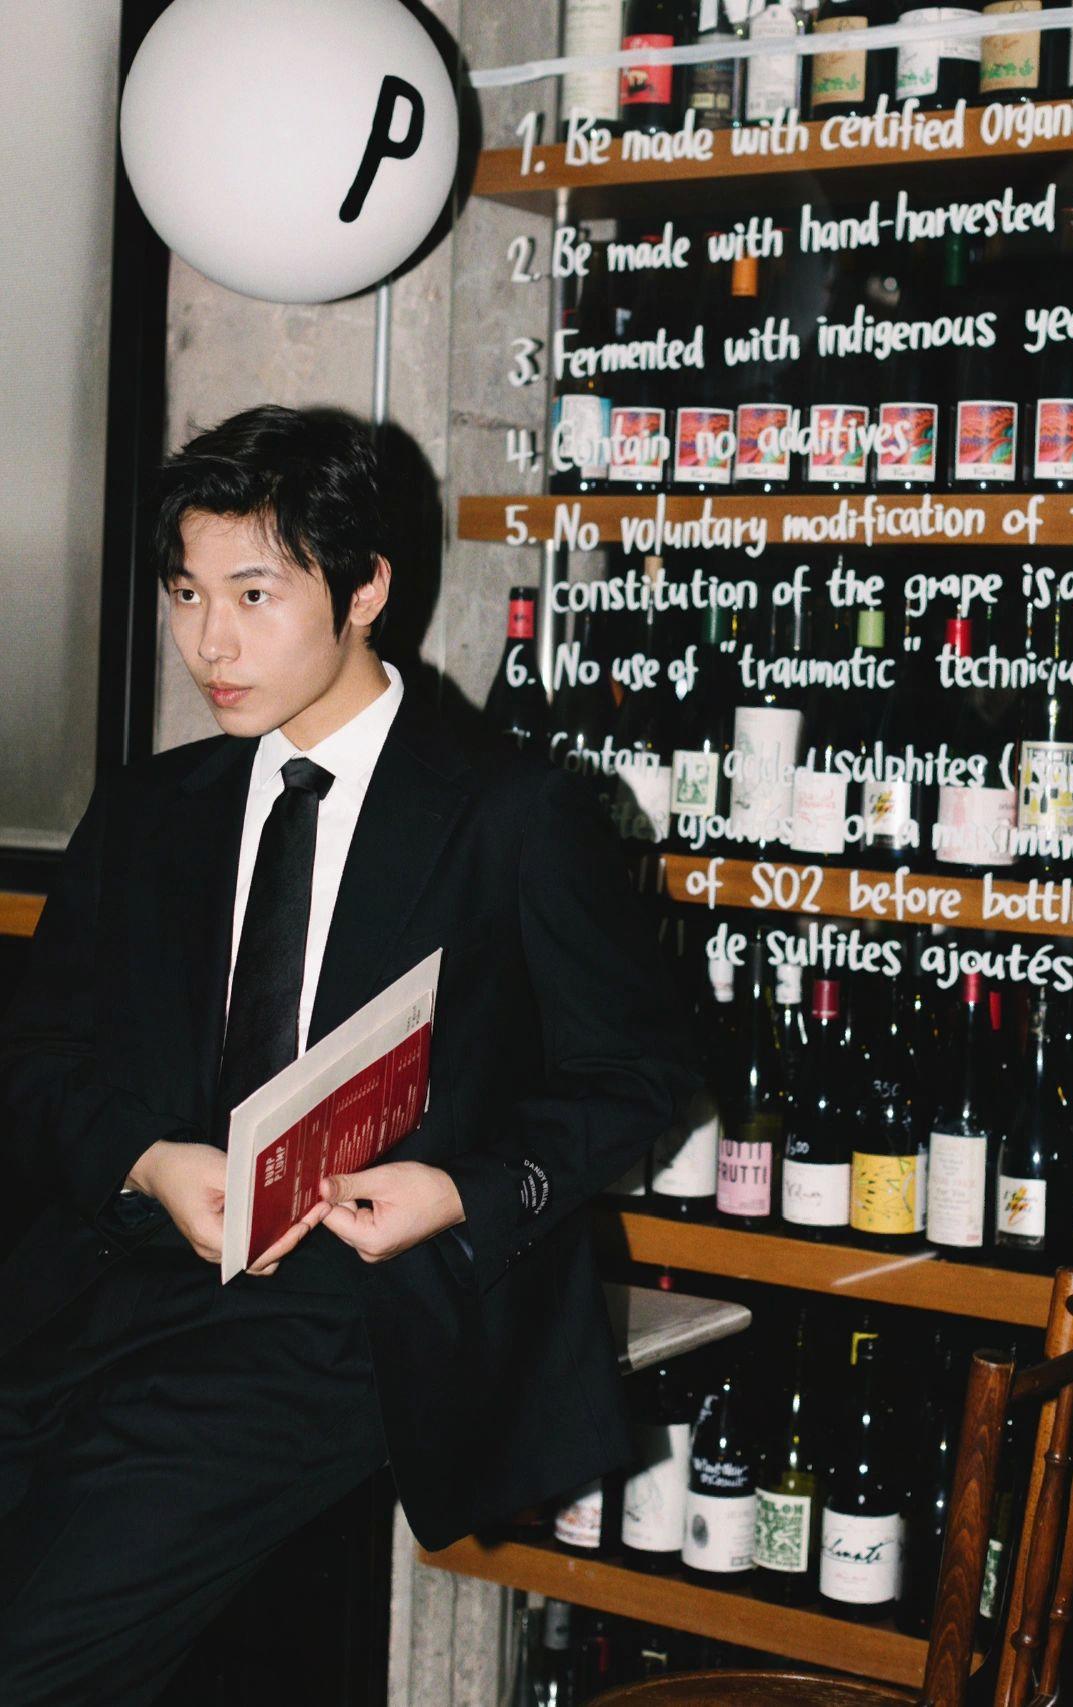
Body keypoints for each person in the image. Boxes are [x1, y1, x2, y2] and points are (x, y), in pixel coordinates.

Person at [0, 404, 702, 1705]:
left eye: (254, 595)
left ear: (366, 588)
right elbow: (33, 1062)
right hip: (103, 1282)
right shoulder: (151, 809)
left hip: (345, 1317)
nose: (209, 643)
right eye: (187, 594)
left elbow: (636, 1076)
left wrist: (461, 1191)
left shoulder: (511, 810)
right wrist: (150, 1161)